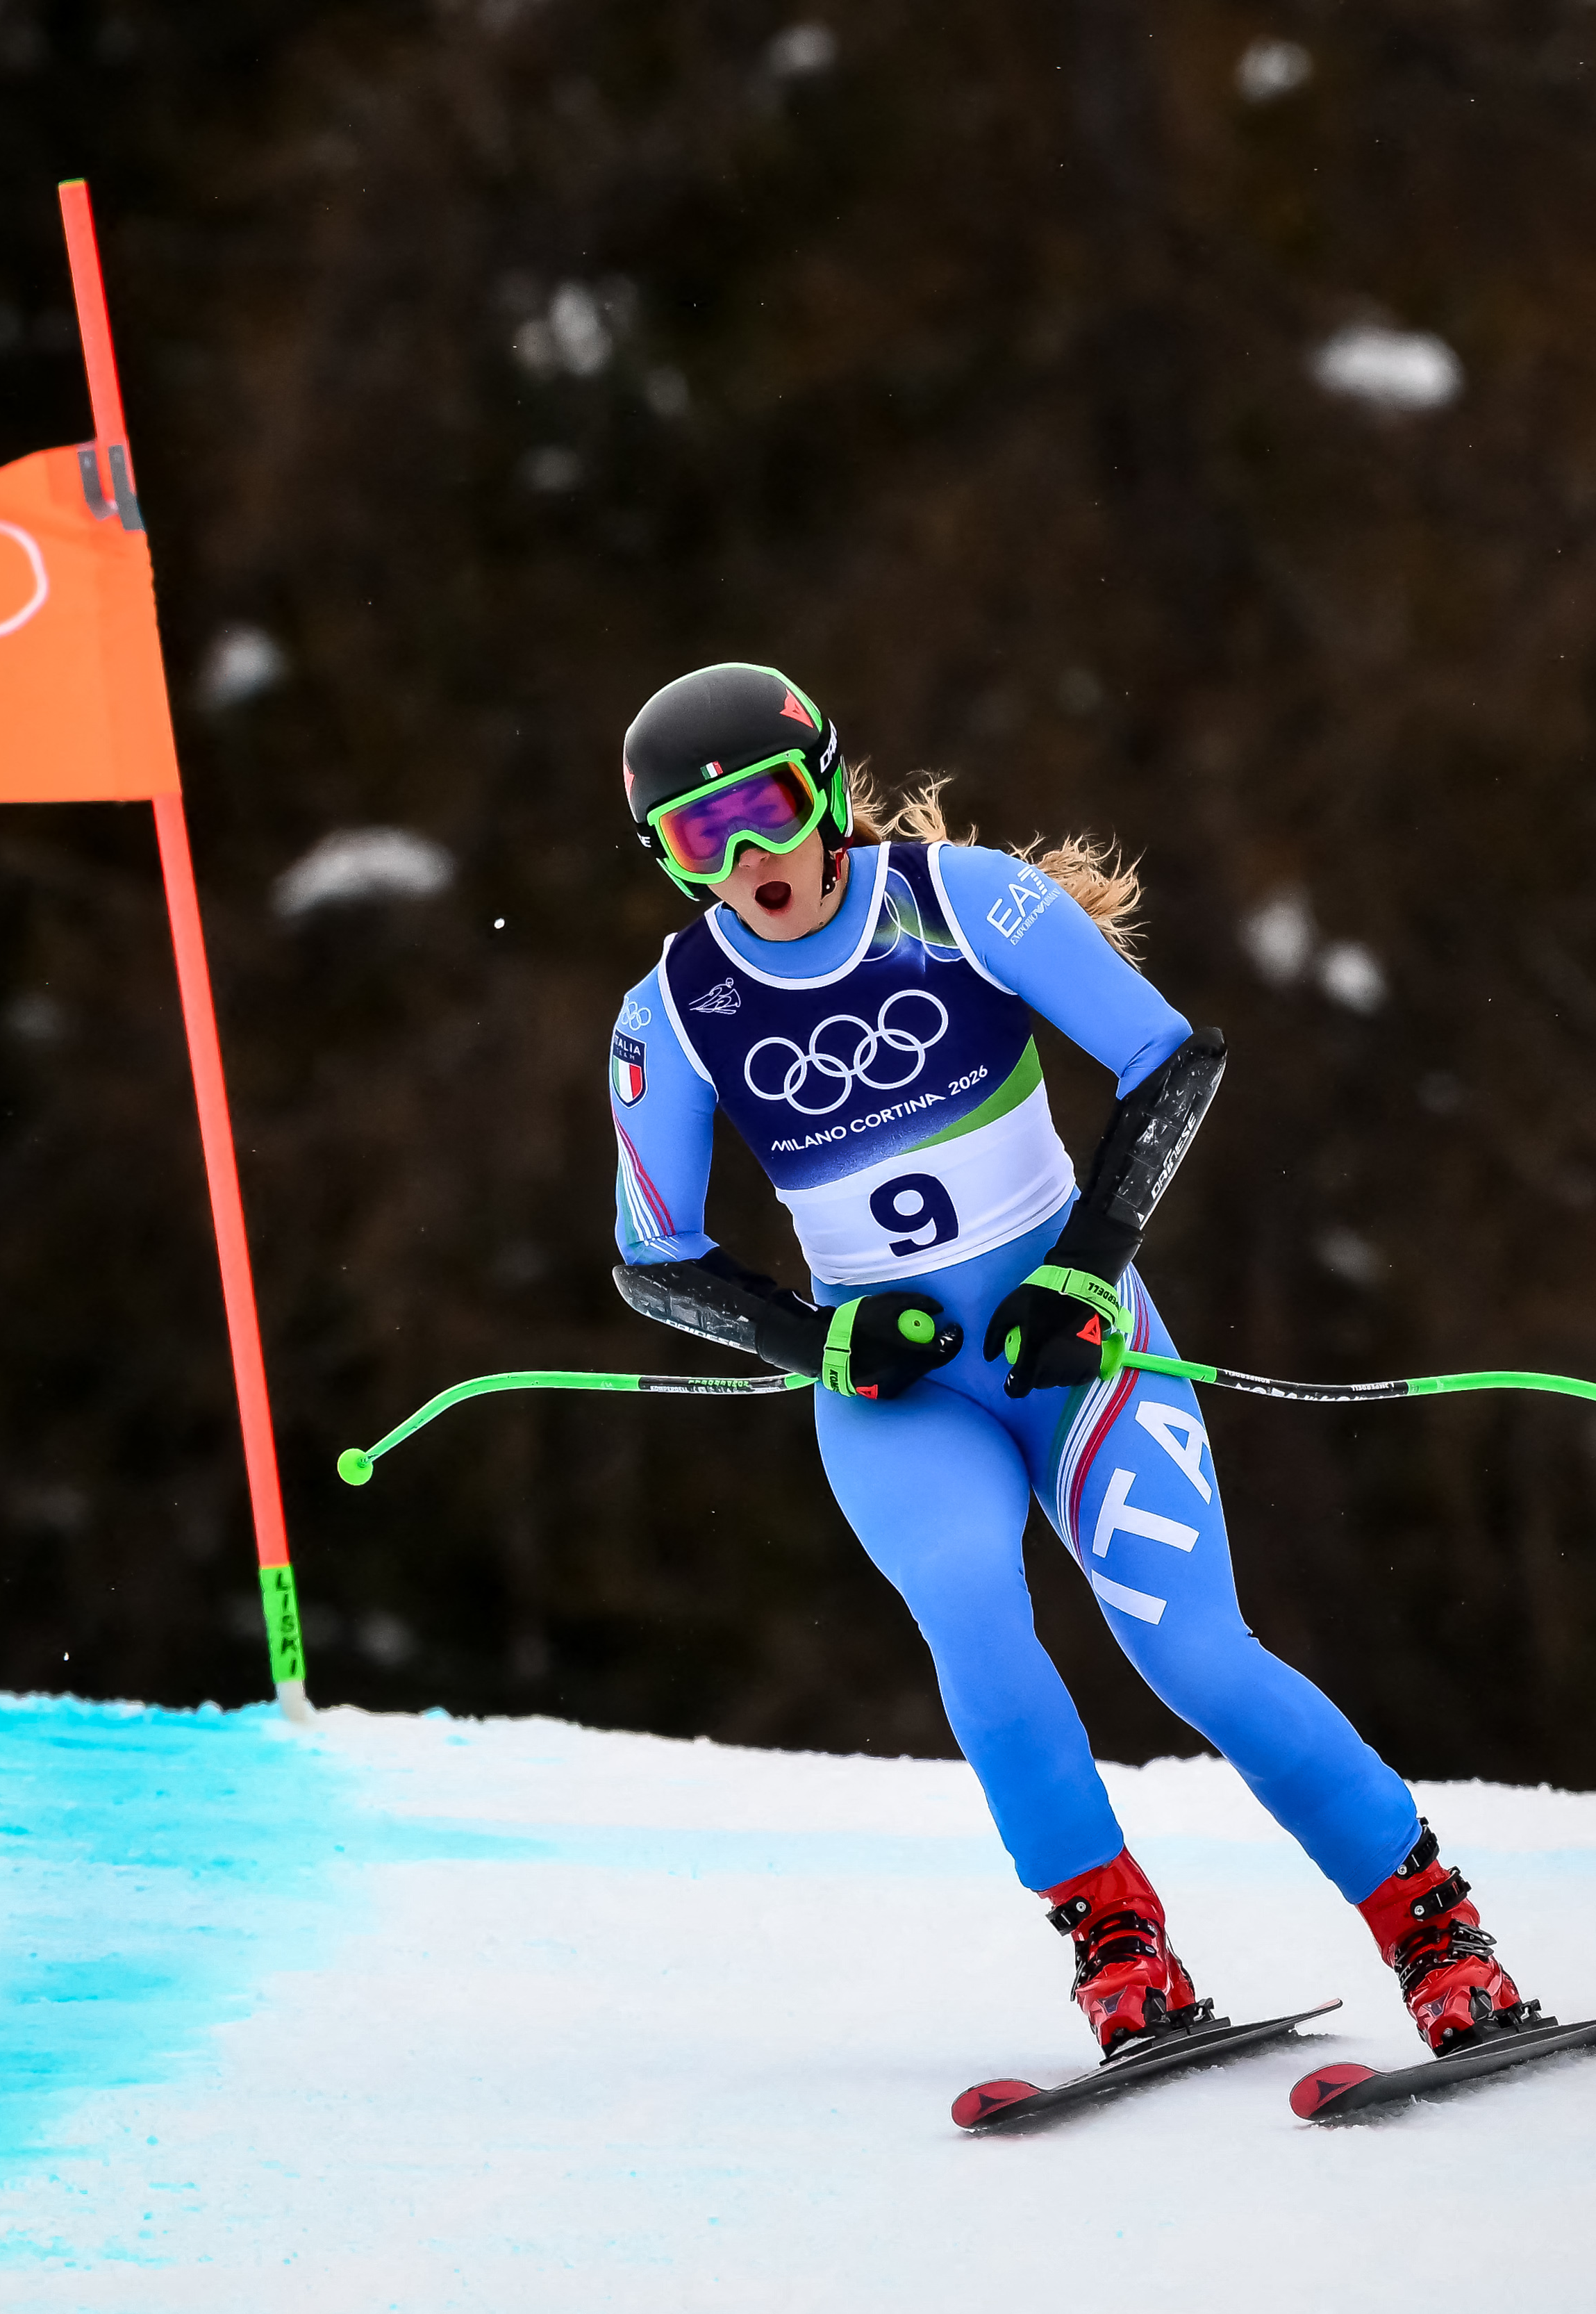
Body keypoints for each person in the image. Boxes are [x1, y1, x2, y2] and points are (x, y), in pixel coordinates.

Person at [604, 661, 1529, 2060]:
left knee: (1194, 1654)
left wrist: (1086, 1263)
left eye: (769, 811)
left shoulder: (962, 898)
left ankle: (1434, 1932)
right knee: (973, 1608)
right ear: (666, 860)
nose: (750, 860)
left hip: (1077, 1345)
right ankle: (1119, 1948)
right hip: (901, 1392)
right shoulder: (670, 1010)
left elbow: (1172, 1061)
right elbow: (652, 1256)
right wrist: (823, 1335)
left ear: (823, 795)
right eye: (700, 837)